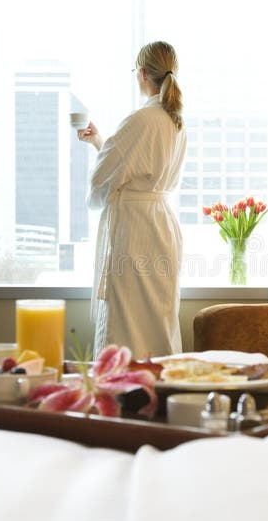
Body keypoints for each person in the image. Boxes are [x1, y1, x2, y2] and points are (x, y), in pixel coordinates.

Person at [77, 41, 187, 359]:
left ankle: (120, 395)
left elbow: (101, 182)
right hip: (161, 227)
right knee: (157, 322)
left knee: (126, 322)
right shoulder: (175, 121)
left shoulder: (140, 119)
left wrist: (104, 155)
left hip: (134, 232)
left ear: (141, 73)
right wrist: (101, 142)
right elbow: (139, 173)